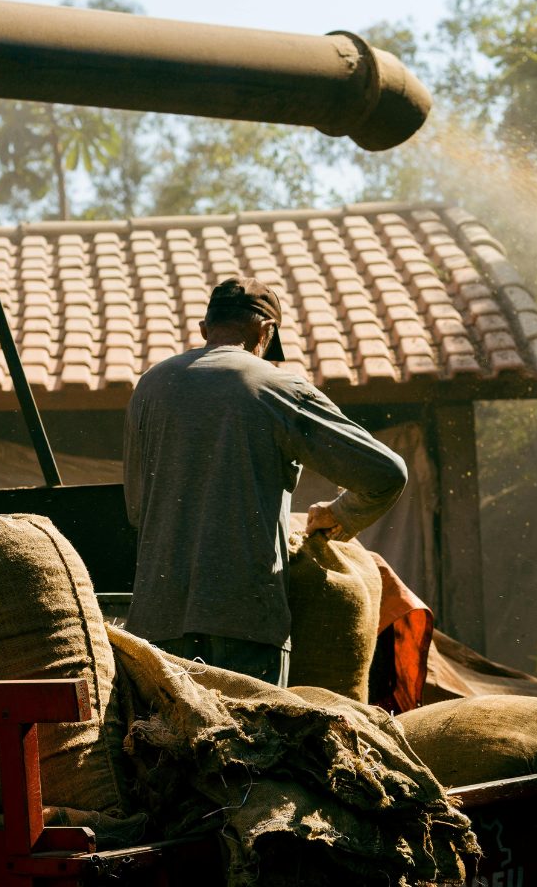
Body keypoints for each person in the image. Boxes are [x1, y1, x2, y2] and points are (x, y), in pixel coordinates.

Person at [122, 276, 408, 686]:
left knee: (164, 748)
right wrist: (339, 513)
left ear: (205, 329)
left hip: (154, 632)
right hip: (245, 629)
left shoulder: (150, 386)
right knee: (249, 748)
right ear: (264, 332)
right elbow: (387, 473)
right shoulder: (276, 387)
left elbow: (136, 509)